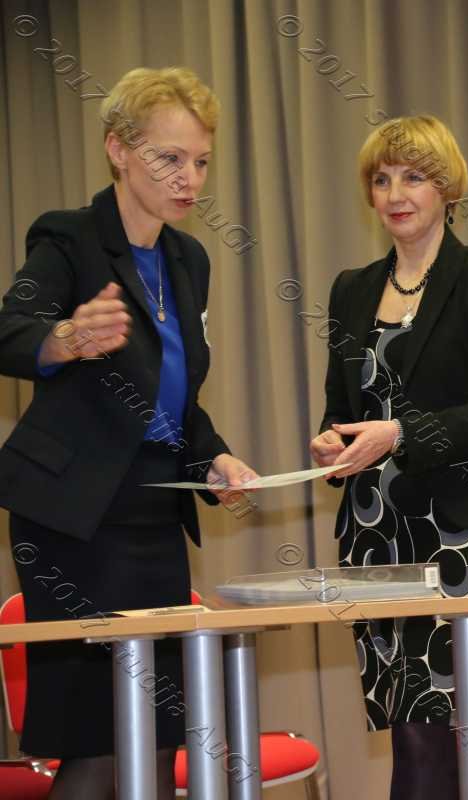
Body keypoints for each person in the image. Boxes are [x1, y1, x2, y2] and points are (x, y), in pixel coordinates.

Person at [0, 66, 258, 799]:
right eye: (168, 158)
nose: (189, 179)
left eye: (201, 161)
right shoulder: (69, 238)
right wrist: (65, 338)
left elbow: (173, 395)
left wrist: (214, 456)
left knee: (158, 738)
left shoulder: (188, 259)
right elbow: (10, 330)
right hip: (73, 520)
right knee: (100, 744)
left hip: (152, 513)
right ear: (118, 149)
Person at [308, 115, 468, 800]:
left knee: (431, 727)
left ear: (447, 188)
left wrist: (399, 434)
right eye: (382, 180)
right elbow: (340, 406)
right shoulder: (350, 288)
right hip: (372, 531)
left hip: (457, 530)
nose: (396, 194)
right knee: (409, 726)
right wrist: (331, 442)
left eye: (413, 177)